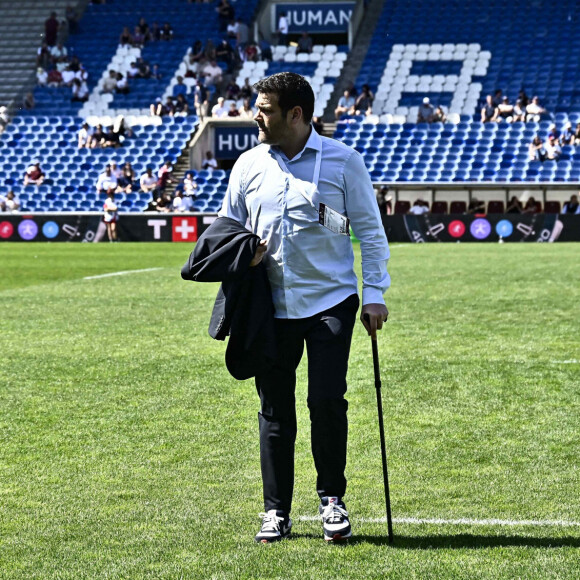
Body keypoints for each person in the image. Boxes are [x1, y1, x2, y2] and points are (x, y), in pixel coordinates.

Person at [216, 72, 390, 543]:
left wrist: (374, 293)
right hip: (269, 307)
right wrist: (240, 253)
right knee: (274, 410)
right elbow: (226, 228)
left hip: (332, 301)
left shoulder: (343, 161)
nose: (256, 115)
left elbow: (370, 233)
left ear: (296, 114)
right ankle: (276, 512)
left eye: (266, 109)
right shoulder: (248, 164)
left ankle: (332, 500)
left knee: (326, 401)